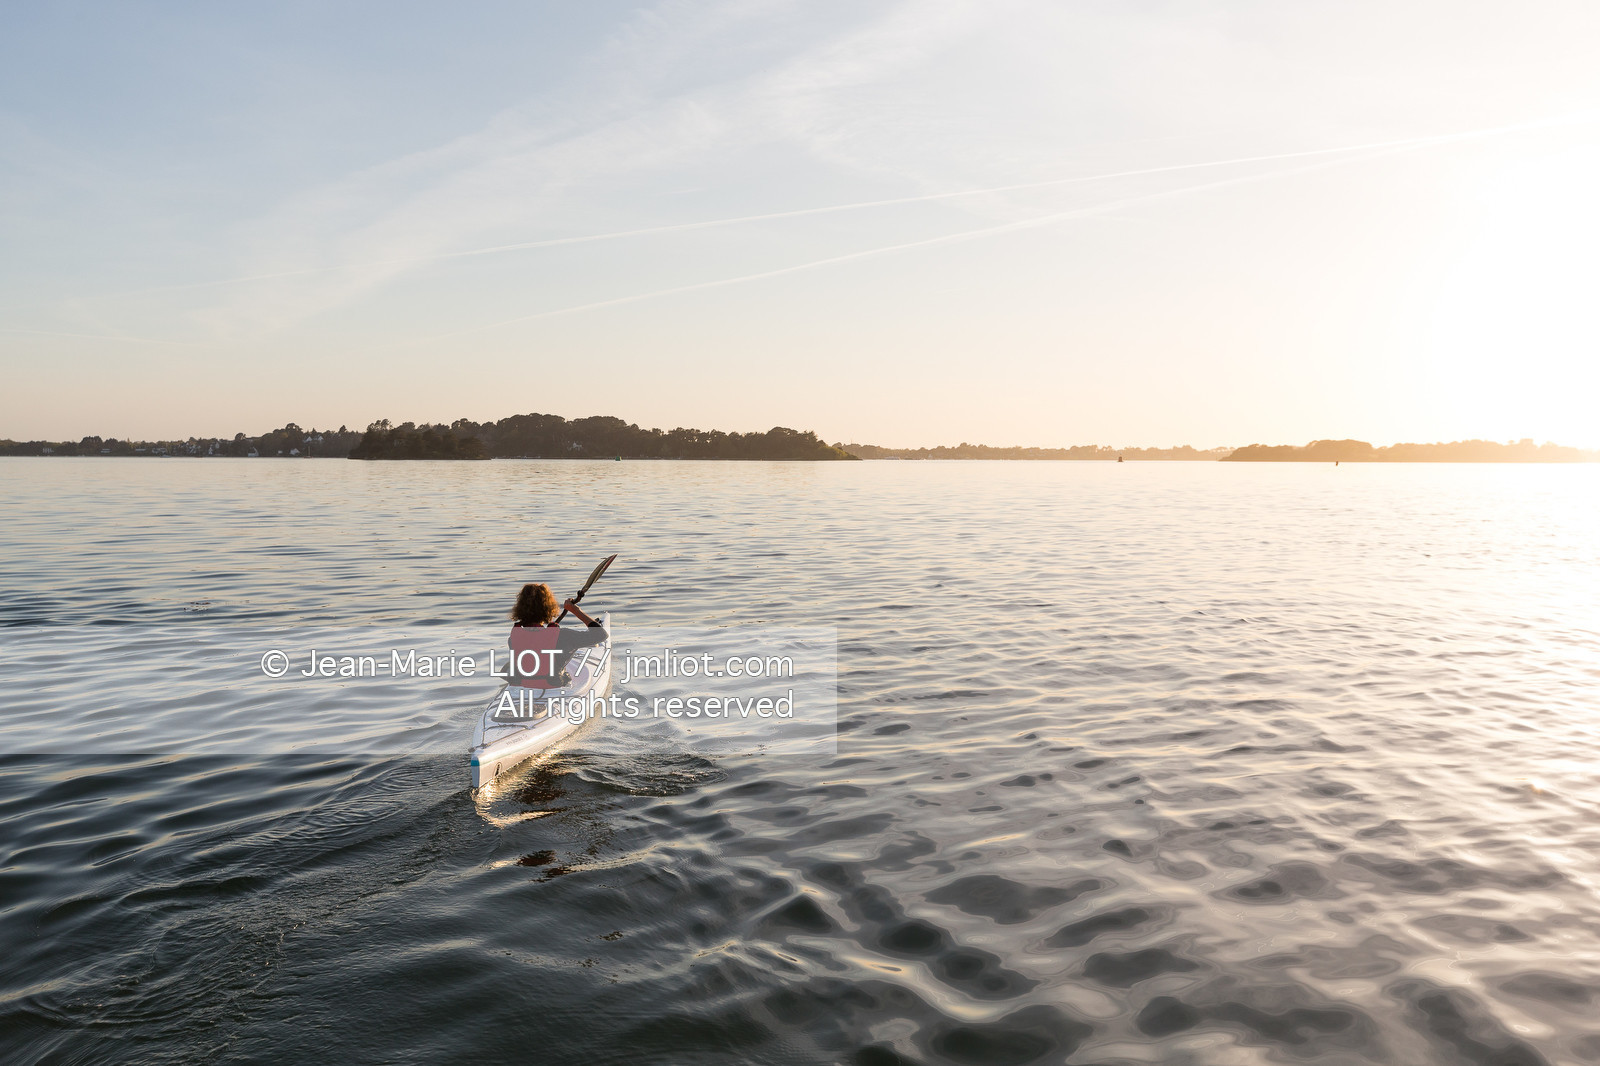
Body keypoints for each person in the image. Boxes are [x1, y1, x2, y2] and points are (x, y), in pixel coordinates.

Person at [506, 582, 608, 689]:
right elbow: (601, 635)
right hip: (554, 688)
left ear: (519, 608)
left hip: (523, 689)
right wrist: (575, 610)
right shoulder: (563, 636)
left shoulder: (513, 637)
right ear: (549, 608)